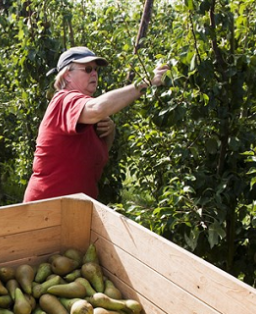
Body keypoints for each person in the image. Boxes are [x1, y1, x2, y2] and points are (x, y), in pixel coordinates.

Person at [23, 46, 168, 202]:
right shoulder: (64, 101)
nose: (94, 73)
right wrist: (146, 82)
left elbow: (95, 158)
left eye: (96, 70)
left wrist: (110, 132)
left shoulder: (86, 114)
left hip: (76, 211)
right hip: (46, 208)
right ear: (66, 76)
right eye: (87, 69)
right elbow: (98, 108)